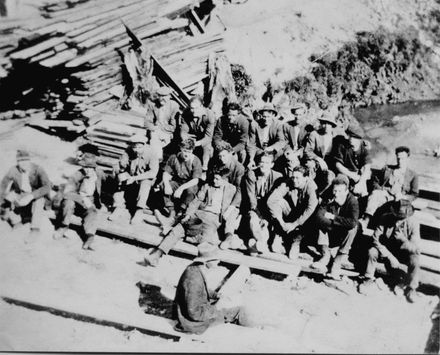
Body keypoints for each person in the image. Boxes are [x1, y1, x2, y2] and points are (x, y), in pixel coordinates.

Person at [143, 167, 240, 266]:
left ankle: (190, 241)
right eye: (214, 178)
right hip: (200, 213)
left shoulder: (232, 189)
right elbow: (196, 201)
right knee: (178, 229)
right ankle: (156, 255)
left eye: (217, 179)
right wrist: (188, 215)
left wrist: (229, 223)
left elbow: (236, 206)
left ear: (225, 180)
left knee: (206, 239)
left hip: (214, 218)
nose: (214, 181)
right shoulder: (207, 186)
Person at [359, 199, 420, 303]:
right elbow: (375, 239)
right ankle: (368, 278)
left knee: (415, 260)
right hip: (386, 249)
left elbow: (416, 249)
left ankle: (411, 288)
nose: (398, 221)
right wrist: (390, 257)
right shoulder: (385, 218)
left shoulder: (413, 222)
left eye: (401, 218)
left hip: (402, 251)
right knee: (372, 251)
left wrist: (403, 239)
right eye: (397, 217)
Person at [174, 242, 242, 335]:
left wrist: (215, 295)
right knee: (233, 312)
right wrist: (215, 309)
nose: (218, 262)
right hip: (191, 323)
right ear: (206, 262)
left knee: (229, 309)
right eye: (215, 259)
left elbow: (200, 290)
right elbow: (194, 313)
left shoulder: (195, 268)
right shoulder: (193, 279)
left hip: (195, 311)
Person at [53, 152, 106, 250]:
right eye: (85, 167)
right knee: (68, 203)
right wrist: (82, 199)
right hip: (76, 200)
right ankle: (63, 227)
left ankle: (89, 237)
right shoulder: (78, 174)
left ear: (94, 168)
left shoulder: (98, 174)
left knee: (93, 213)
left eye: (90, 167)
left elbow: (109, 181)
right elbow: (68, 193)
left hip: (90, 202)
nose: (87, 170)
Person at [311, 174, 360, 279]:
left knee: (353, 229)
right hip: (330, 231)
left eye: (340, 191)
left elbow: (352, 222)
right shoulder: (329, 197)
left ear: (346, 191)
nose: (336, 194)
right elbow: (319, 216)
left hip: (343, 234)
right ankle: (325, 255)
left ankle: (337, 262)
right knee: (320, 224)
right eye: (334, 191)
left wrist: (333, 217)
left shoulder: (352, 201)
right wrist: (333, 225)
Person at [360, 146, 418, 229]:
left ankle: (387, 229)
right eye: (398, 158)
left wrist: (403, 197)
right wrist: (381, 190)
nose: (400, 161)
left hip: (399, 197)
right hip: (385, 194)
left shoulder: (413, 175)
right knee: (375, 194)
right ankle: (366, 220)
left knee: (399, 207)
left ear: (408, 159)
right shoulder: (388, 169)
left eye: (403, 159)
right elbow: (375, 182)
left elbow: (414, 194)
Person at [267, 165, 318, 259]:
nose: (294, 180)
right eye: (293, 177)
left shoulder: (311, 187)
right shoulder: (289, 182)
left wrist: (294, 224)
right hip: (291, 213)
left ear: (306, 178)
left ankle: (296, 242)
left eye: (298, 178)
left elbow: (310, 208)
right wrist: (281, 223)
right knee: (279, 202)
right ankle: (279, 233)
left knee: (313, 216)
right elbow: (271, 200)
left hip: (305, 218)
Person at [109, 134, 159, 224]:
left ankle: (139, 210)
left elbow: (153, 173)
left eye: (139, 147)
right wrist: (119, 169)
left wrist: (135, 178)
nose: (137, 150)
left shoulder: (152, 153)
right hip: (131, 176)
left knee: (145, 183)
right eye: (134, 148)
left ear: (144, 145)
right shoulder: (129, 150)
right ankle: (119, 206)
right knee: (120, 177)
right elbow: (122, 164)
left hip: (145, 178)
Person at [0, 149, 51, 235]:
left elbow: (47, 186)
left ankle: (35, 229)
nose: (23, 163)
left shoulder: (38, 169)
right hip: (21, 193)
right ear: (17, 162)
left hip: (36, 195)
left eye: (26, 160)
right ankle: (22, 220)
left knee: (38, 201)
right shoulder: (13, 170)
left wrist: (30, 196)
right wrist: (2, 200)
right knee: (8, 198)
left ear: (29, 160)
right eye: (20, 161)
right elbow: (3, 183)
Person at [154, 138, 202, 227]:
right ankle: (171, 212)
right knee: (164, 185)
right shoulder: (174, 157)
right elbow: (166, 172)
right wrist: (167, 185)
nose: (187, 154)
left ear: (192, 150)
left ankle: (180, 213)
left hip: (189, 184)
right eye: (185, 151)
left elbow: (195, 180)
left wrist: (181, 188)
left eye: (189, 151)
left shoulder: (196, 161)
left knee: (191, 190)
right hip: (177, 181)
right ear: (181, 149)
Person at [208, 141, 245, 249]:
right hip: (217, 196)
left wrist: (231, 207)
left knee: (230, 216)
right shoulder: (214, 162)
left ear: (230, 153)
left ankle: (228, 237)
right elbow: (210, 182)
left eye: (224, 155)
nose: (221, 158)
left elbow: (239, 190)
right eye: (219, 156)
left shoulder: (239, 168)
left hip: (232, 199)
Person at [243, 152, 282, 253]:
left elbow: (276, 200)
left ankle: (256, 244)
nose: (263, 165)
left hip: (269, 208)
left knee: (265, 224)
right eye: (261, 162)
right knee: (253, 221)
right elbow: (251, 197)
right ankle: (261, 243)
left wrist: (266, 217)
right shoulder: (251, 174)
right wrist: (259, 215)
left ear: (272, 165)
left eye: (267, 163)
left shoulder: (278, 177)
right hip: (255, 206)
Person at [331, 123, 371, 197]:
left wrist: (361, 182)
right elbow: (338, 165)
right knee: (341, 183)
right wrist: (352, 175)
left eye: (354, 137)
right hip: (345, 172)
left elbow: (367, 167)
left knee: (364, 188)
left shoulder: (364, 148)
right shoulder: (342, 146)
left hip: (359, 174)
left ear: (359, 139)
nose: (351, 139)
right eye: (350, 136)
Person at [179, 95, 216, 172]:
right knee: (183, 147)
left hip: (204, 137)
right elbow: (183, 131)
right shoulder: (186, 113)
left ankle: (204, 168)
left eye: (197, 108)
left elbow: (208, 137)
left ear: (202, 106)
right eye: (192, 108)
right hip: (192, 136)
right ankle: (185, 167)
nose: (194, 111)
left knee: (207, 148)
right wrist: (187, 142)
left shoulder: (209, 115)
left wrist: (196, 144)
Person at [144, 86, 180, 160]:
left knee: (157, 144)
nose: (162, 98)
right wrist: (154, 128)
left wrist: (164, 129)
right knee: (154, 138)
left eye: (165, 96)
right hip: (156, 130)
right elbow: (147, 121)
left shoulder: (174, 106)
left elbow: (173, 125)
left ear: (170, 96)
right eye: (160, 96)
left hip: (167, 131)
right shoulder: (153, 105)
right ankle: (158, 159)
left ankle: (155, 158)